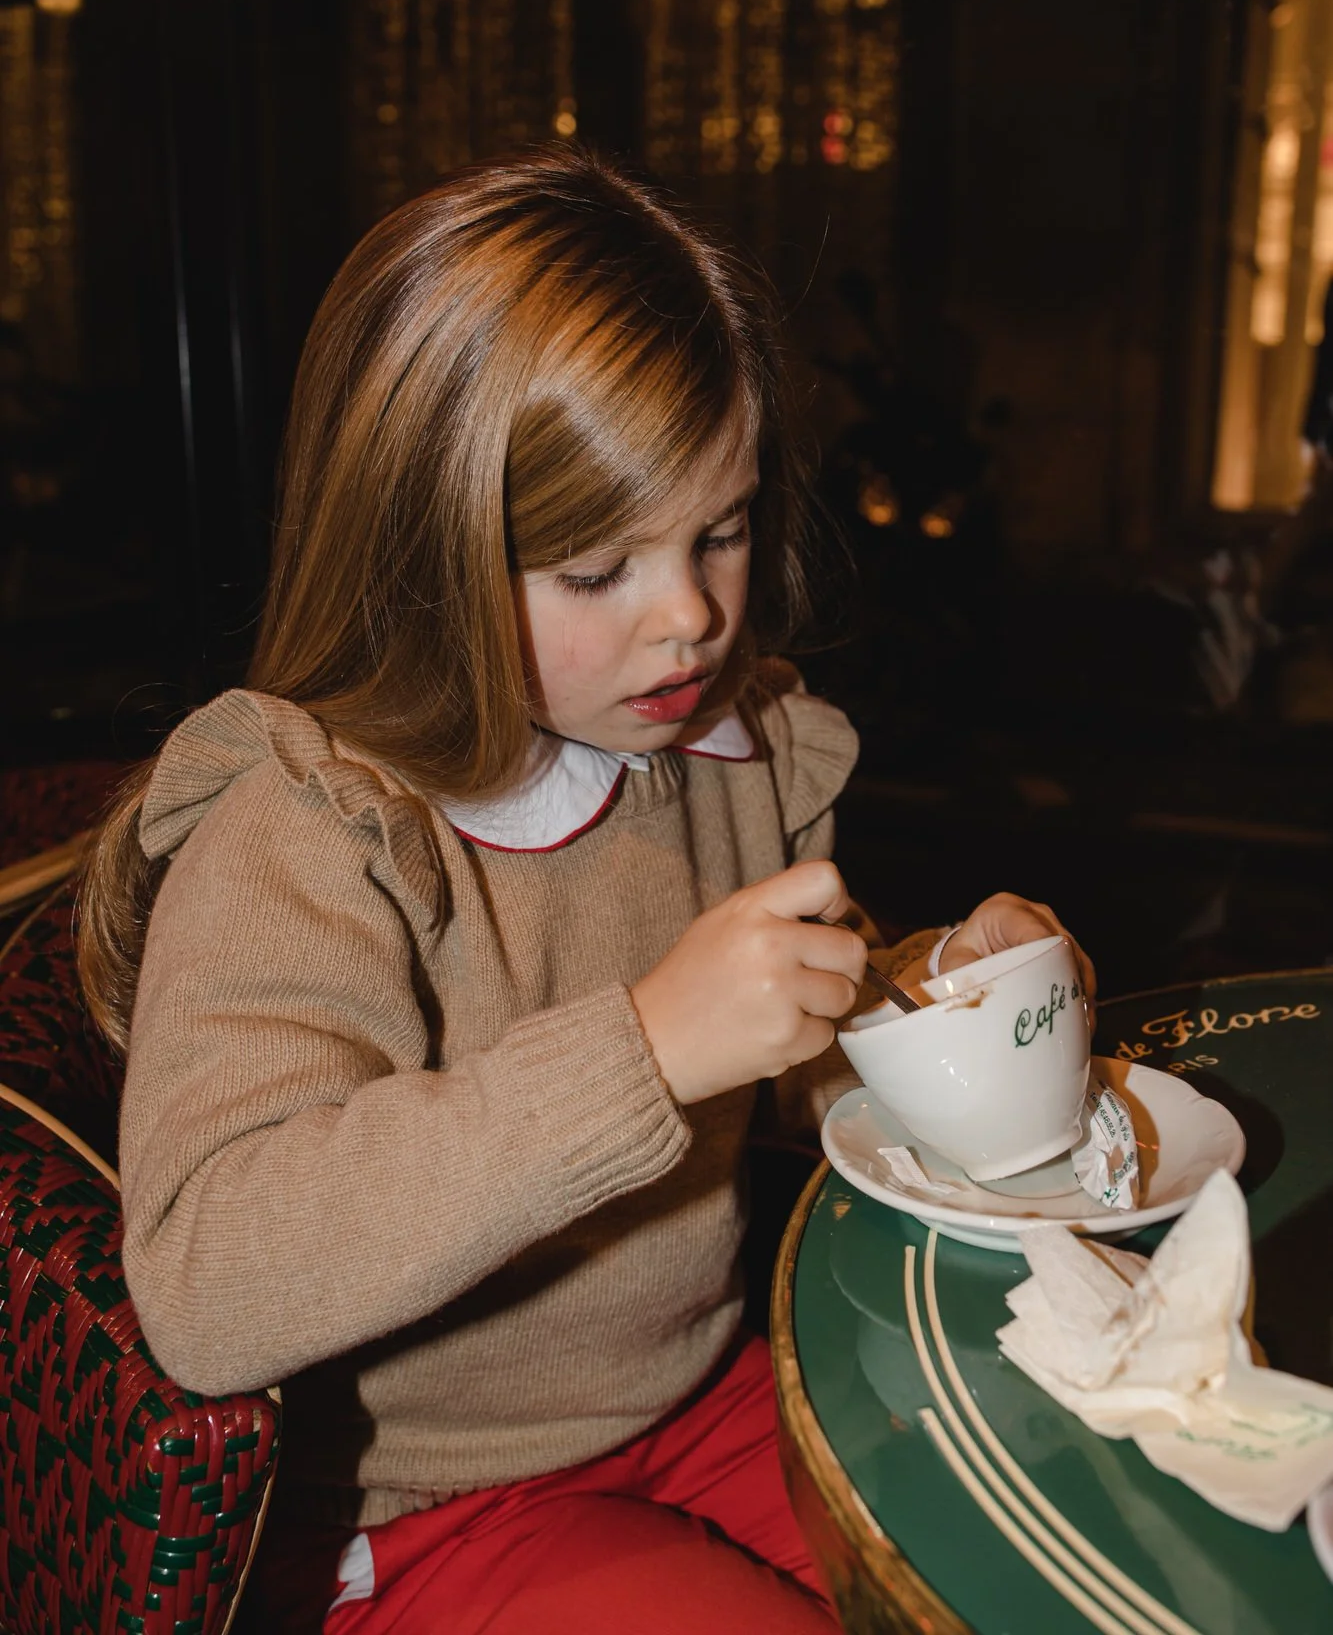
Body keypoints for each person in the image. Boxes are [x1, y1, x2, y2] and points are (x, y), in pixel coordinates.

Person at [78, 148, 1090, 1635]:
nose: (688, 614)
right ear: (419, 560)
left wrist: (944, 991)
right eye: (597, 565)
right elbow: (208, 1282)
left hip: (707, 1393)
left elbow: (808, 1052)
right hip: (418, 1513)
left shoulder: (711, 741)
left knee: (1032, 1558)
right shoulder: (313, 831)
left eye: (722, 529)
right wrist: (647, 1048)